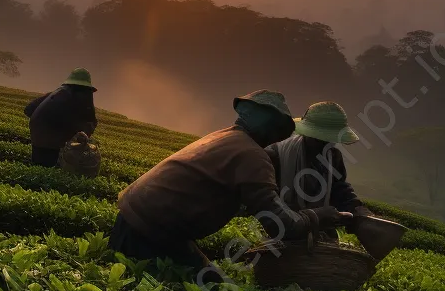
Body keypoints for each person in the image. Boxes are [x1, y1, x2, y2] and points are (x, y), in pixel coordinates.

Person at [111, 90, 345, 270]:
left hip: (141, 221)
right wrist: (318, 216)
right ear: (273, 129)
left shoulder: (225, 137)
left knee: (211, 277)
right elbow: (281, 224)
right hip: (148, 232)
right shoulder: (253, 155)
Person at [266, 101, 371, 240]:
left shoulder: (333, 157)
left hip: (319, 235)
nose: (324, 146)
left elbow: (339, 190)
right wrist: (314, 216)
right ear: (306, 133)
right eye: (319, 140)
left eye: (330, 141)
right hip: (281, 234)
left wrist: (358, 210)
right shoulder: (276, 155)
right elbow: (267, 203)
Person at [24, 68, 98, 167]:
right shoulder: (83, 95)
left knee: (38, 166)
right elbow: (89, 121)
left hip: (37, 136)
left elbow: (28, 109)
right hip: (53, 141)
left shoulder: (56, 93)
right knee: (52, 169)